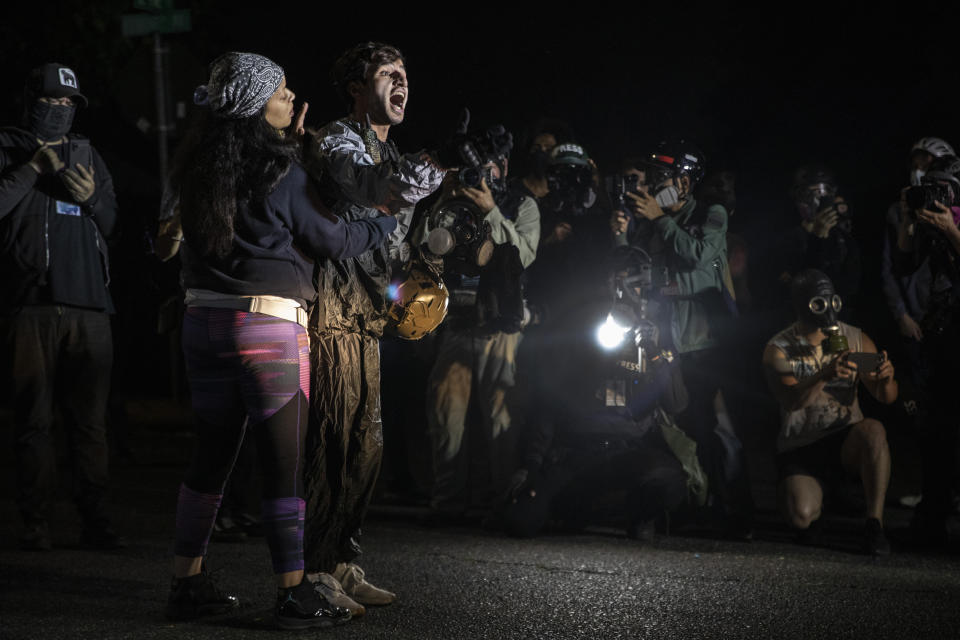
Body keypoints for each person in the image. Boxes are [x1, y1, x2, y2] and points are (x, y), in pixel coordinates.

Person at [160, 52, 397, 629]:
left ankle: (186, 582)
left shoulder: (196, 167)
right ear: (254, 104)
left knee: (210, 460)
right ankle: (292, 592)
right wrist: (385, 217)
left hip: (203, 325)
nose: (293, 100)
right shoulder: (281, 174)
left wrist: (287, 141)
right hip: (268, 329)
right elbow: (333, 240)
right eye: (282, 92)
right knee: (282, 466)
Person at [300, 42, 446, 615]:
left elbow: (396, 236)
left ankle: (342, 562)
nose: (401, 82)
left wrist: (424, 271)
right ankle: (311, 573)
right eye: (388, 74)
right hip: (330, 315)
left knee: (367, 448)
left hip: (367, 319)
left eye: (405, 74)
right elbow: (369, 186)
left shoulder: (397, 154)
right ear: (359, 89)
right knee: (331, 444)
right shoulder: (338, 140)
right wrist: (423, 172)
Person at [0, 63, 122, 551]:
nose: (61, 111)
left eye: (69, 104)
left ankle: (95, 520)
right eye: (52, 102)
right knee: (33, 420)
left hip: (90, 307)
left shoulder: (88, 153)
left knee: (90, 424)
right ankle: (36, 522)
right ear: (31, 101)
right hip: (29, 305)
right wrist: (32, 169)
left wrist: (92, 200)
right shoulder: (8, 146)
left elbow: (112, 222)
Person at [615, 140, 753, 537]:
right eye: (654, 177)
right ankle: (697, 502)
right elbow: (635, 274)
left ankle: (737, 511)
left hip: (707, 344)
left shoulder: (711, 214)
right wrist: (623, 236)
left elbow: (702, 261)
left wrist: (661, 221)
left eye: (664, 178)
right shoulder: (652, 222)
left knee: (719, 429)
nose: (656, 185)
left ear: (686, 182)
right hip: (668, 343)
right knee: (681, 426)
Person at [414, 124, 540, 523]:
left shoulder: (522, 205)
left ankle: (503, 505)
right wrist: (441, 200)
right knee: (445, 416)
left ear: (502, 167)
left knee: (502, 417)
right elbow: (419, 249)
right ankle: (447, 503)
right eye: (474, 169)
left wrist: (491, 212)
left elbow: (523, 256)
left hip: (500, 327)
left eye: (487, 168)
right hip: (455, 321)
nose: (480, 177)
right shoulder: (450, 202)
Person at [762, 269, 898, 555]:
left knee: (874, 430)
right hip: (801, 446)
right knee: (800, 516)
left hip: (844, 440)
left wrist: (886, 378)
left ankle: (874, 523)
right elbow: (791, 402)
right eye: (818, 303)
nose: (827, 310)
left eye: (830, 301)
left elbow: (886, 397)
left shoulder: (853, 339)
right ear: (802, 305)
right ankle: (823, 502)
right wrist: (823, 375)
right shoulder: (780, 349)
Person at [888, 157, 960, 544]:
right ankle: (931, 521)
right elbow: (903, 264)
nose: (939, 195)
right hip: (944, 332)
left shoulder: (952, 221)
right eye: (932, 186)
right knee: (937, 430)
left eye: (945, 187)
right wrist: (908, 220)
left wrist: (952, 229)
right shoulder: (932, 223)